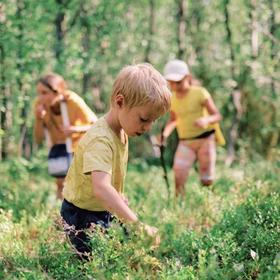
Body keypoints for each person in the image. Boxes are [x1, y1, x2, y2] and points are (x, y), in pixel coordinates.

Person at [60, 63, 171, 260]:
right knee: (92, 264)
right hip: (82, 215)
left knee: (122, 251)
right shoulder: (100, 139)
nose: (148, 127)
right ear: (120, 102)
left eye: (153, 121)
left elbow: (108, 182)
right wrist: (137, 225)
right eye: (144, 119)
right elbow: (101, 188)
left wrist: (118, 196)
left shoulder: (120, 131)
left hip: (101, 209)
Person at [161, 59, 223, 197]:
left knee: (206, 178)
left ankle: (208, 203)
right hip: (186, 141)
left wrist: (206, 120)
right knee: (179, 173)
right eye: (171, 83)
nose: (175, 86)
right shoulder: (172, 99)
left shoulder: (200, 93)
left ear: (187, 78)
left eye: (178, 82)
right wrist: (164, 134)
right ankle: (180, 208)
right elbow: (173, 120)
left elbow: (217, 115)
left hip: (205, 139)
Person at [34, 73, 97, 200]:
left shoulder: (72, 101)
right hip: (58, 148)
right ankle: (62, 215)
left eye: (44, 93)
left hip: (78, 147)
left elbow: (96, 125)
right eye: (39, 93)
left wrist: (75, 129)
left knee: (80, 185)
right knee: (60, 185)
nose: (40, 97)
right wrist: (39, 119)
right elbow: (38, 138)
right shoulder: (39, 105)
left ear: (57, 91)